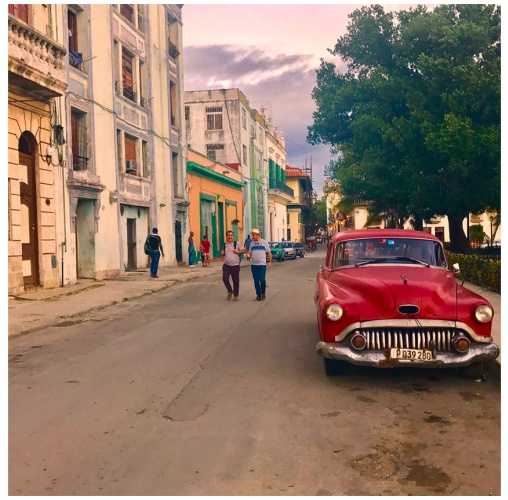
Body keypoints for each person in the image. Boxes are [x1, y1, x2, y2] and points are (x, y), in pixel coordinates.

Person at [246, 228, 271, 301]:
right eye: (252, 235)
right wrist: (248, 254)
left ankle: (263, 293)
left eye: (253, 235)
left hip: (262, 265)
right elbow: (250, 252)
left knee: (262, 279)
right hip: (254, 265)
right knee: (256, 280)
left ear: (258, 235)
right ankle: (258, 295)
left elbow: (269, 252)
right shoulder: (251, 243)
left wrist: (269, 261)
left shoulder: (264, 242)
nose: (252, 237)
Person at [221, 230, 245, 301]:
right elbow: (223, 254)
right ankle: (230, 291)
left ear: (233, 236)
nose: (230, 236)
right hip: (226, 265)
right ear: (226, 236)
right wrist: (222, 253)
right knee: (225, 279)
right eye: (228, 235)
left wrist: (238, 251)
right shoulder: (224, 245)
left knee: (236, 281)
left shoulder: (237, 243)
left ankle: (236, 295)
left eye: (231, 235)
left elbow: (244, 250)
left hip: (235, 265)